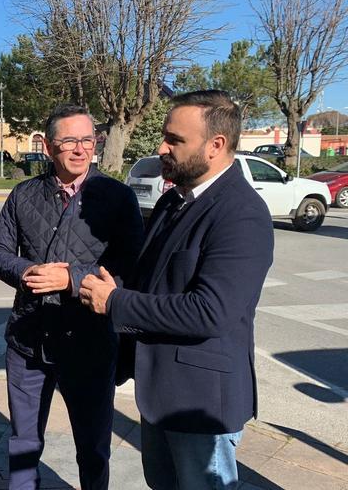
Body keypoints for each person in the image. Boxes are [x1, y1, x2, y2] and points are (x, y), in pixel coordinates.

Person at [79, 90, 274, 489]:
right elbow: (153, 281)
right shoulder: (174, 202)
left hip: (200, 404)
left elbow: (210, 311)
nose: (161, 146)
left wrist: (116, 302)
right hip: (159, 393)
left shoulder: (242, 214)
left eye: (175, 140)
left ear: (215, 145)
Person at [0, 104, 144, 489]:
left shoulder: (117, 197)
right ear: (48, 146)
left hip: (89, 342)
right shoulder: (24, 194)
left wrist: (71, 279)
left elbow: (133, 266)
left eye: (87, 139)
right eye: (69, 140)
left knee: (92, 448)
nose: (80, 149)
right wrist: (25, 272)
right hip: (28, 341)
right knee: (23, 442)